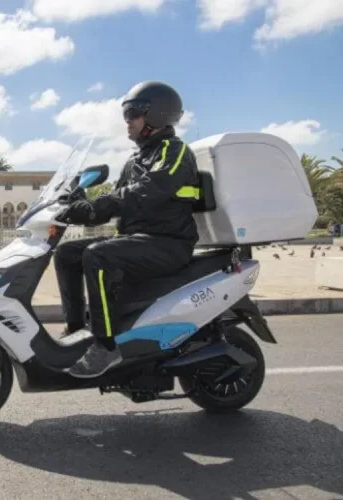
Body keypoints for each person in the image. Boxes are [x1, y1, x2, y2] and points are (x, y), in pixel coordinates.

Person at [54, 81, 200, 378]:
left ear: (157, 115)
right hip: (139, 240)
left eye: (133, 113)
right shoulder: (135, 160)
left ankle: (106, 346)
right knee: (67, 253)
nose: (127, 122)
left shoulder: (175, 152)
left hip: (168, 243)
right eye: (126, 114)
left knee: (98, 256)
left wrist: (99, 206)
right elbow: (118, 203)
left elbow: (149, 191)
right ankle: (76, 329)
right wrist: (80, 205)